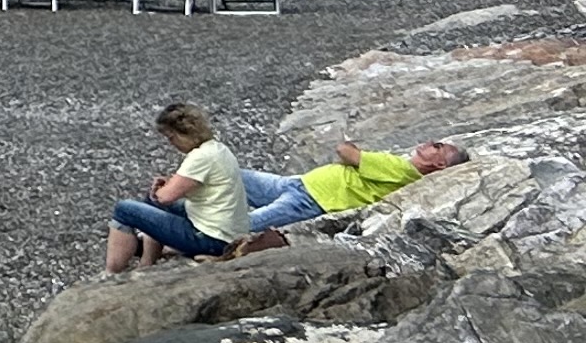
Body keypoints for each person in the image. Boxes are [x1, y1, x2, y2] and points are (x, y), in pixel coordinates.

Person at [106, 100, 253, 271]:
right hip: (227, 233)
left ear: (182, 134)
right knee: (151, 201)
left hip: (212, 239)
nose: (171, 144)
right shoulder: (218, 149)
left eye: (171, 137)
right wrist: (165, 189)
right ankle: (147, 262)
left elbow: (165, 198)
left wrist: (160, 190)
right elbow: (192, 185)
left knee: (124, 209)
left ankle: (111, 273)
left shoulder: (200, 157)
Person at [242, 139, 467, 236]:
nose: (429, 144)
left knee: (240, 221)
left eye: (437, 146)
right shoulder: (408, 177)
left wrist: (351, 148)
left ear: (440, 164)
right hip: (300, 185)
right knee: (230, 177)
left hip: (310, 199)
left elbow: (344, 151)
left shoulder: (399, 167)